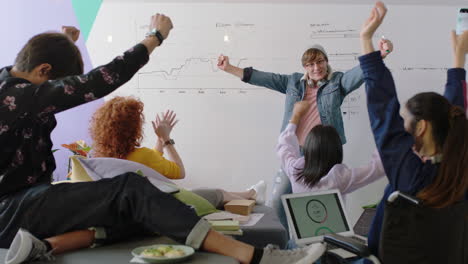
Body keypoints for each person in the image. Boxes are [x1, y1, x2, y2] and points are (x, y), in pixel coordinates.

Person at [0, 15, 319, 264]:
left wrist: (64, 41)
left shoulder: (16, 89)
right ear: (43, 72)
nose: (59, 97)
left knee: (134, 209)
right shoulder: (16, 96)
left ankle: (43, 248)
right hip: (12, 208)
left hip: (23, 204)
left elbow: (39, 63)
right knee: (130, 189)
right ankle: (256, 256)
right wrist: (155, 37)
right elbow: (97, 82)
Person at [217, 34, 393, 229]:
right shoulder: (292, 82)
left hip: (325, 154)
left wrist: (381, 54)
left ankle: (326, 243)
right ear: (304, 67)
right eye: (310, 64)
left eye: (320, 62)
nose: (316, 68)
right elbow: (262, 78)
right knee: (277, 203)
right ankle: (286, 244)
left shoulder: (338, 83)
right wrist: (229, 68)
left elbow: (359, 73)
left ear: (327, 62)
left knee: (325, 206)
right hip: (296, 153)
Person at [358, 1, 468, 258]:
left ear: (421, 127)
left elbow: (382, 110)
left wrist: (366, 38)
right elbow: (451, 118)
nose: (402, 125)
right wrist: (458, 63)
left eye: (406, 119)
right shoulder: (460, 172)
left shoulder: (410, 175)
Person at [89, 96, 267, 207]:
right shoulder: (142, 155)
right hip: (162, 208)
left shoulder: (99, 158)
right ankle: (252, 194)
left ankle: (251, 193)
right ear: (133, 128)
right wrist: (167, 140)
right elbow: (179, 172)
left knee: (212, 192)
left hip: (134, 208)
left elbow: (151, 164)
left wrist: (159, 140)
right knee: (216, 193)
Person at [277, 100, 385, 197]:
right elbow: (376, 168)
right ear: (337, 150)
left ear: (308, 149)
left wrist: (296, 115)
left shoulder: (295, 172)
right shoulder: (339, 179)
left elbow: (284, 145)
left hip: (301, 220)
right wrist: (384, 129)